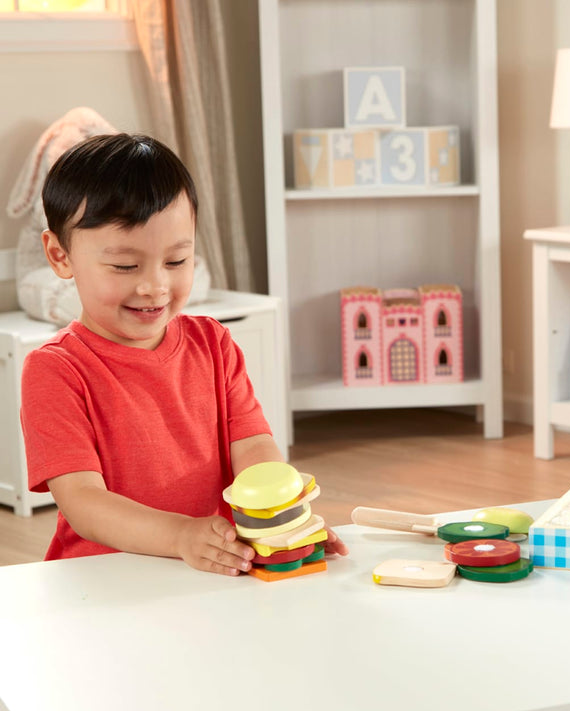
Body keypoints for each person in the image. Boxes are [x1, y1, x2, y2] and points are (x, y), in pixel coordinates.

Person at [20, 133, 347, 575]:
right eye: (124, 266)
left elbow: (252, 448)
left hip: (210, 564)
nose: (154, 286)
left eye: (176, 261)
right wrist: (179, 536)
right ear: (60, 256)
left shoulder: (213, 344)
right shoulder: (55, 370)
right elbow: (83, 501)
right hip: (105, 582)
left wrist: (283, 523)